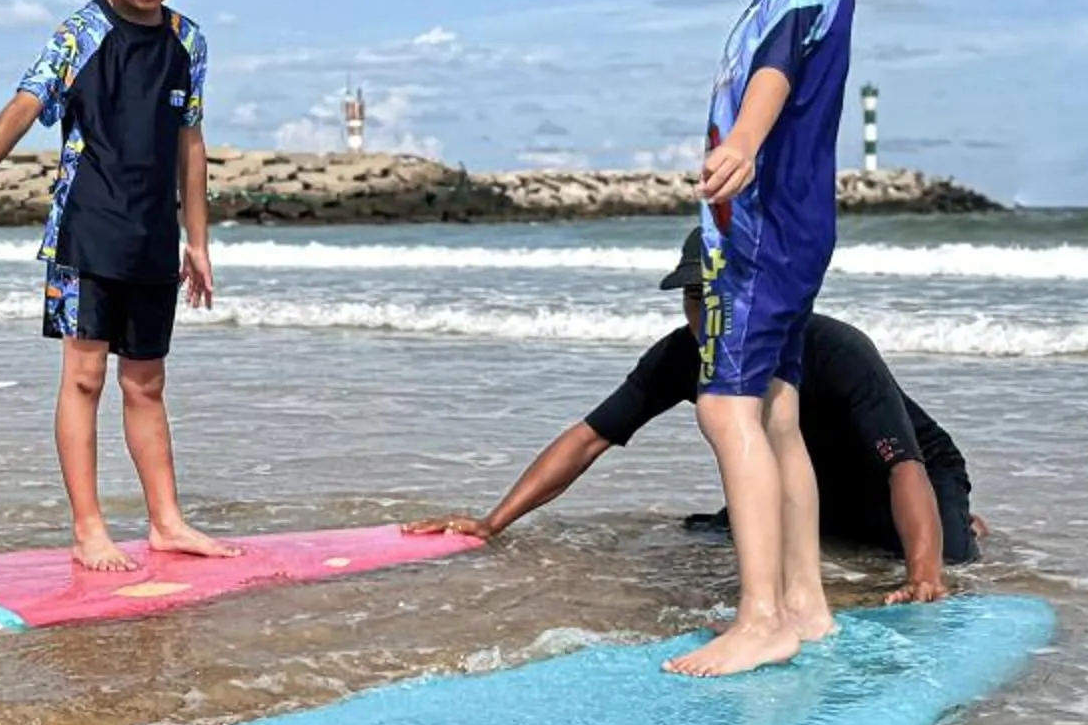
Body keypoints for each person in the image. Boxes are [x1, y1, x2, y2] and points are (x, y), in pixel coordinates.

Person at [0, 0, 235, 572]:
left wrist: (199, 239)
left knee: (147, 383)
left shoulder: (189, 43)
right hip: (84, 233)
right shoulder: (80, 33)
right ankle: (88, 527)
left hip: (154, 240)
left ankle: (166, 521)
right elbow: (22, 107)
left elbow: (190, 145)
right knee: (85, 378)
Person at [408, 231, 982, 601]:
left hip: (903, 471)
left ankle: (962, 519)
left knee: (948, 561)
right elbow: (589, 439)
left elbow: (904, 464)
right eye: (692, 298)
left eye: (720, 298)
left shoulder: (834, 349)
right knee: (719, 539)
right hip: (807, 476)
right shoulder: (684, 355)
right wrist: (493, 522)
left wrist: (924, 573)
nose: (706, 316)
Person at [661, 0, 858, 676]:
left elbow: (775, 76)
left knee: (723, 404)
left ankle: (762, 618)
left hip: (761, 234)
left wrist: (742, 143)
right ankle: (806, 604)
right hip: (782, 228)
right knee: (777, 410)